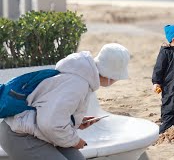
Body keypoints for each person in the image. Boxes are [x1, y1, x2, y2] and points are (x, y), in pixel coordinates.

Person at [0, 43, 130, 160]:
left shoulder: (80, 76)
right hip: (20, 135)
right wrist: (74, 141)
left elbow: (49, 111)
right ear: (111, 76)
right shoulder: (78, 84)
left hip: (38, 132)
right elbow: (50, 124)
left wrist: (75, 121)